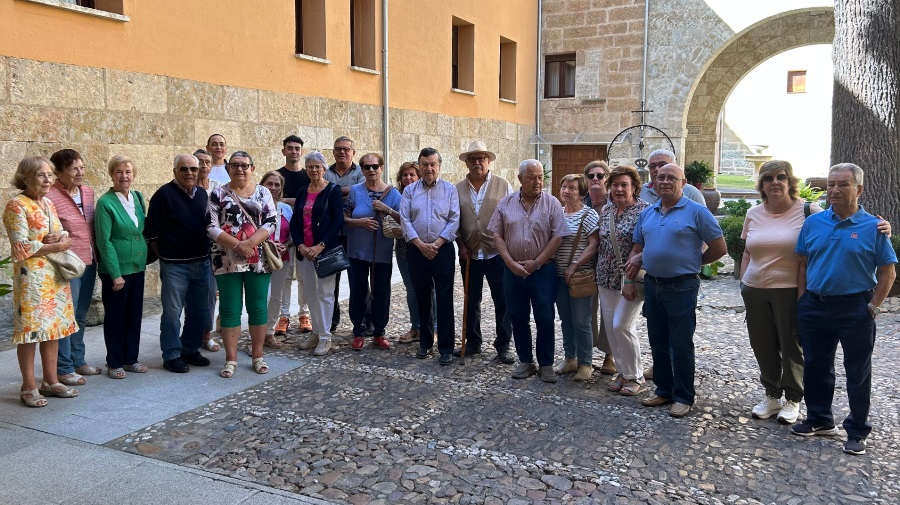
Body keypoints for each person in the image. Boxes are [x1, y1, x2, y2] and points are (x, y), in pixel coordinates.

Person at [741, 160, 891, 425]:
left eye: (781, 177)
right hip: (767, 291)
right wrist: (745, 283)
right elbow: (754, 253)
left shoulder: (810, 212)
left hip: (812, 295)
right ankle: (784, 401)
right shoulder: (759, 214)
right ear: (761, 184)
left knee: (798, 349)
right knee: (773, 348)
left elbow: (883, 265)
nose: (774, 182)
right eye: (768, 178)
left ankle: (802, 402)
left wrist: (873, 305)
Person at [792, 163, 896, 456]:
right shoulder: (813, 223)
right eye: (831, 184)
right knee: (815, 365)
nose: (834, 190)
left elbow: (888, 273)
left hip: (855, 308)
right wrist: (802, 300)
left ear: (859, 189)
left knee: (857, 372)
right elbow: (803, 263)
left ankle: (857, 430)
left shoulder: (874, 227)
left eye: (843, 185)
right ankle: (819, 419)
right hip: (814, 305)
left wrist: (873, 308)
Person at [627, 163, 726, 417]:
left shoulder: (697, 212)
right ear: (654, 182)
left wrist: (694, 263)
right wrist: (636, 262)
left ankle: (683, 396)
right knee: (658, 341)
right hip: (653, 284)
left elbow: (719, 248)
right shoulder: (648, 213)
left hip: (682, 286)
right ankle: (663, 391)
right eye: (661, 177)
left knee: (680, 343)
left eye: (672, 178)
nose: (665, 182)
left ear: (683, 183)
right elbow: (638, 245)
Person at [4, 156, 79, 406]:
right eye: (40, 175)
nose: (48, 179)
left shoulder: (48, 203)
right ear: (25, 177)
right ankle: (28, 386)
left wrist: (59, 237)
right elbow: (21, 247)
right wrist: (57, 243)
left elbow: (60, 232)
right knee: (30, 333)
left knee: (53, 330)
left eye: (49, 174)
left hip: (55, 275)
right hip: (31, 279)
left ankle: (51, 380)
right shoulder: (16, 205)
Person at [489, 159, 570, 382]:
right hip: (512, 271)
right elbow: (497, 235)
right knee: (517, 316)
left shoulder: (551, 203)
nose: (537, 181)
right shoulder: (506, 203)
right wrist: (510, 263)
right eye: (532, 177)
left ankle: (546, 364)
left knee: (544, 316)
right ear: (520, 179)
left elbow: (558, 236)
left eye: (540, 176)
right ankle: (526, 361)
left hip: (542, 271)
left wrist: (536, 263)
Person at [207, 151, 278, 378]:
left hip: (258, 259)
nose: (240, 169)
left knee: (257, 307)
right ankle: (231, 359)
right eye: (235, 165)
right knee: (230, 308)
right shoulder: (217, 194)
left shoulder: (263, 192)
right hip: (226, 258)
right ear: (228, 168)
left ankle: (257, 356)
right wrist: (238, 245)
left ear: (252, 168)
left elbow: (271, 221)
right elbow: (210, 226)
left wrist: (249, 243)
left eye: (244, 165)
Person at [144, 153, 212, 374]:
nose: (189, 173)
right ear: (175, 172)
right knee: (173, 312)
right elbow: (151, 232)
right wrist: (166, 255)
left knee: (199, 311)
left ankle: (190, 349)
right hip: (175, 266)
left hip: (201, 263)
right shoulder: (163, 195)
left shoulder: (202, 195)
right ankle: (172, 354)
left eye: (193, 169)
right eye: (184, 169)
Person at [453, 141, 515, 363]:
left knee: (502, 300)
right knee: (471, 300)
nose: (477, 162)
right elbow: (454, 220)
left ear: (488, 161)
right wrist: (460, 244)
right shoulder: (457, 188)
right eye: (473, 159)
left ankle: (503, 345)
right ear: (467, 163)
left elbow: (511, 216)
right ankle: (473, 342)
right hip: (469, 253)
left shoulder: (503, 185)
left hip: (496, 253)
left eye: (481, 158)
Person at [47, 149, 103, 384]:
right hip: (68, 264)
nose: (80, 173)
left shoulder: (88, 193)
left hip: (89, 262)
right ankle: (64, 367)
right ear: (58, 173)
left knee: (80, 314)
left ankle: (78, 361)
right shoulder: (50, 196)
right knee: (66, 316)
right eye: (73, 169)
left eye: (81, 167)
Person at [400, 147, 460, 365]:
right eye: (424, 164)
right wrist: (419, 244)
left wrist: (436, 243)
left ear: (439, 166)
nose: (429, 168)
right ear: (420, 166)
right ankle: (425, 343)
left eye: (433, 164)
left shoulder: (450, 190)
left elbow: (454, 219)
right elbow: (405, 219)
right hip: (417, 250)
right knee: (422, 298)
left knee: (444, 300)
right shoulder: (410, 191)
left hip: (442, 249)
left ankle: (446, 347)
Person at [596, 166, 650, 396]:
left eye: (624, 185)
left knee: (622, 325)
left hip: (631, 278)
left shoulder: (644, 211)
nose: (619, 189)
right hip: (605, 276)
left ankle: (636, 376)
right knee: (611, 328)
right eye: (615, 184)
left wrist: (628, 279)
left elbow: (646, 246)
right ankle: (623, 372)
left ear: (634, 188)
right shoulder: (606, 210)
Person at [94, 155, 149, 379]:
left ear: (133, 175)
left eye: (128, 171)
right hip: (115, 271)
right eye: (119, 172)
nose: (124, 176)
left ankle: (130, 359)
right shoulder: (105, 203)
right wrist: (115, 274)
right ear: (112, 175)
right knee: (116, 316)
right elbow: (104, 241)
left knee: (134, 315)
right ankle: (114, 361)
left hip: (137, 267)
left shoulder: (137, 197)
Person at [288, 151, 344, 356]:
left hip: (324, 250)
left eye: (317, 166)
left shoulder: (333, 190)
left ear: (323, 169)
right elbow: (295, 221)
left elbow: (338, 220)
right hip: (305, 251)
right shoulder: (303, 191)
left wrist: (320, 245)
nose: (313, 170)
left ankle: (326, 337)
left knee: (326, 294)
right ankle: (316, 332)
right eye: (310, 166)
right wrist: (301, 245)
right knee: (310, 293)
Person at [345, 153, 401, 350]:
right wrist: (359, 222)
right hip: (357, 252)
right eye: (367, 167)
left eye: (375, 166)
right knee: (358, 292)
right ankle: (358, 332)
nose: (371, 170)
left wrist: (387, 209)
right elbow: (344, 217)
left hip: (382, 253)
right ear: (362, 170)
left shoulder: (393, 194)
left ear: (382, 168)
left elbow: (404, 220)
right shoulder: (355, 192)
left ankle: (379, 332)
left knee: (381, 293)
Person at [553, 174, 600, 381]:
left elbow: (594, 245)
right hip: (558, 276)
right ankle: (570, 358)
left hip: (581, 276)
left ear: (581, 193)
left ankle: (586, 363)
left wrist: (575, 265)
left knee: (582, 320)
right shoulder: (557, 213)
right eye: (564, 187)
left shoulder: (588, 215)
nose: (566, 191)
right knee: (565, 319)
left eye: (572, 188)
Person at [324, 136, 365, 332]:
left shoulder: (361, 172)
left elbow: (360, 193)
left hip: (354, 234)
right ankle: (330, 321)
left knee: (358, 280)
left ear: (353, 152)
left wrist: (331, 192)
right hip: (331, 234)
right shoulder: (325, 172)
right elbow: (320, 194)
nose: (342, 152)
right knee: (331, 280)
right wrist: (343, 192)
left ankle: (364, 321)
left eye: (346, 149)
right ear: (333, 151)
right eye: (338, 149)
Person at [393, 162, 436, 344]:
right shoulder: (397, 196)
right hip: (404, 247)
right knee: (411, 290)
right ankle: (416, 327)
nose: (408, 178)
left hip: (425, 247)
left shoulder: (425, 194)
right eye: (404, 175)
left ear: (418, 177)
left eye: (412, 174)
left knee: (430, 290)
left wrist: (388, 211)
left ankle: (433, 328)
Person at [275, 135, 312, 333]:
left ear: (301, 151)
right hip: (283, 235)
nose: (294, 152)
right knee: (285, 277)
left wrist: (288, 200)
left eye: (297, 148)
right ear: (284, 151)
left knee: (305, 277)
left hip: (306, 233)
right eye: (290, 148)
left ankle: (304, 315)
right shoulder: (277, 176)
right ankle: (283, 316)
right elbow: (273, 198)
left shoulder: (309, 176)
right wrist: (298, 201)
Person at [583, 160, 616, 375]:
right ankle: (584, 353)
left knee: (609, 313)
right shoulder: (579, 202)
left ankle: (609, 355)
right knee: (585, 311)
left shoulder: (615, 203)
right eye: (591, 176)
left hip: (609, 266)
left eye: (601, 175)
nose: (596, 179)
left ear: (607, 179)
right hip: (584, 266)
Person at [260, 170, 292, 348]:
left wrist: (286, 245)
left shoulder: (285, 209)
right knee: (262, 296)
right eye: (269, 184)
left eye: (277, 184)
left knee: (276, 297)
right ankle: (257, 333)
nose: (273, 187)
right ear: (262, 185)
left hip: (281, 257)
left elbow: (294, 234)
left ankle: (270, 332)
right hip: (260, 257)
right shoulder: (255, 205)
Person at [195, 148, 221, 352]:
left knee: (210, 295)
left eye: (207, 162)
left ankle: (206, 335)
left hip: (212, 249)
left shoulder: (217, 188)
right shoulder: (186, 187)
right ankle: (189, 335)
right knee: (189, 297)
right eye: (200, 162)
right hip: (189, 248)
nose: (203, 166)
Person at [640, 149, 706, 206]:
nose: (657, 169)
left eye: (662, 165)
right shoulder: (640, 192)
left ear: (674, 166)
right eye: (653, 166)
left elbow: (704, 219)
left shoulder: (692, 193)